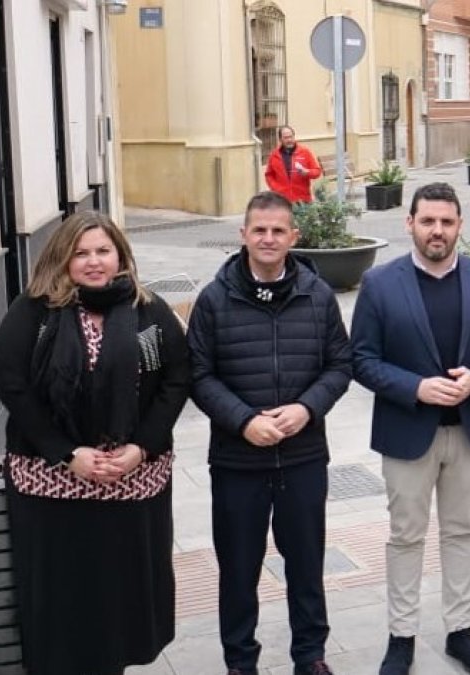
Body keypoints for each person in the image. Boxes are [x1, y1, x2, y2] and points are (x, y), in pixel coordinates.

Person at [0, 211, 189, 674]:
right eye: (81, 253)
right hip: (53, 488)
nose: (94, 262)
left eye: (103, 250)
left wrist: (141, 447)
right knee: (64, 602)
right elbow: (12, 384)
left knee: (118, 601)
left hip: (130, 483)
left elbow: (176, 380)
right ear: (62, 258)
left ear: (120, 253)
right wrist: (67, 453)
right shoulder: (35, 311)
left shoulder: (149, 311)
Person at [350, 183, 470, 675]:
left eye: (446, 222)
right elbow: (360, 360)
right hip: (408, 433)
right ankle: (401, 634)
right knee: (405, 536)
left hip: (469, 433)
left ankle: (460, 629)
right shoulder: (380, 283)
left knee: (461, 531)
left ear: (460, 226)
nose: (437, 231)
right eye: (427, 221)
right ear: (409, 223)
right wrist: (415, 388)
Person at [187, 191, 352, 675]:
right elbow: (198, 375)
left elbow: (339, 365)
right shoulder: (215, 299)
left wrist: (306, 408)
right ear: (243, 235)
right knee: (238, 570)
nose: (268, 238)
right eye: (259, 229)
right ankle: (240, 662)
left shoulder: (317, 296)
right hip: (238, 462)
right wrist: (243, 420)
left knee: (306, 565)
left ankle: (311, 657)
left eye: (278, 230)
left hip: (302, 456)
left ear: (293, 237)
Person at [264, 125, 323, 203]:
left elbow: (317, 172)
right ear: (280, 139)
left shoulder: (305, 152)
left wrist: (307, 172)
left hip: (302, 200)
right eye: (286, 138)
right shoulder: (274, 155)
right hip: (282, 199)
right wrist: (275, 188)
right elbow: (269, 175)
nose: (289, 140)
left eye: (291, 137)